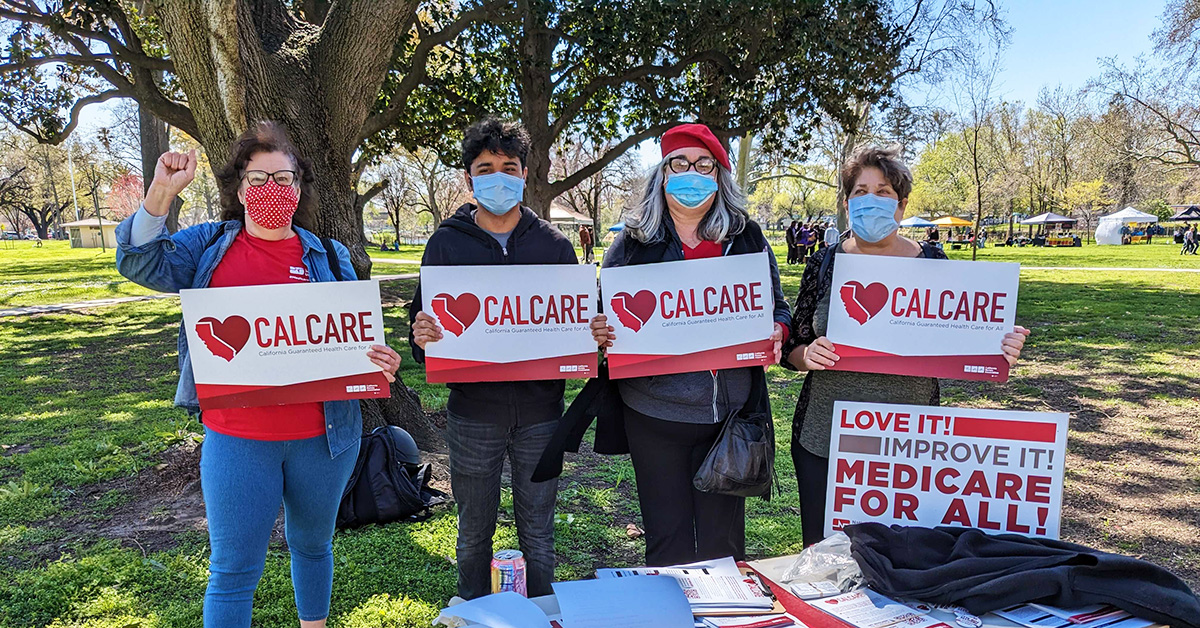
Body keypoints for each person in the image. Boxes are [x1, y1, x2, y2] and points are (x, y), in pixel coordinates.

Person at [114, 122, 402, 627]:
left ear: (300, 186)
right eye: (258, 179)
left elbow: (355, 339)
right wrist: (161, 191)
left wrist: (380, 361)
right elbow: (140, 264)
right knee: (232, 571)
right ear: (239, 188)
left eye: (283, 178)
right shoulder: (210, 246)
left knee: (313, 548)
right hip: (237, 439)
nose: (271, 189)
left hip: (325, 439)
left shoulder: (331, 257)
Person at [779, 146, 1029, 547]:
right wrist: (804, 356)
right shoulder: (824, 262)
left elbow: (963, 338)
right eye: (861, 191)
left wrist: (999, 344)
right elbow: (792, 344)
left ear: (902, 205)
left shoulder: (934, 261)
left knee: (897, 558)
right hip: (824, 437)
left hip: (908, 445)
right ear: (847, 202)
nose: (871, 200)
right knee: (825, 557)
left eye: (883, 192)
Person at [408, 118, 607, 600]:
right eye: (486, 168)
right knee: (473, 531)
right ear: (469, 178)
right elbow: (422, 331)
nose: (498, 176)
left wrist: (596, 332)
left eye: (509, 167)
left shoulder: (555, 246)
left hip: (542, 413)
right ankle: (474, 608)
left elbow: (579, 322)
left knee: (538, 531)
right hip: (473, 415)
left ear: (524, 173)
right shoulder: (445, 243)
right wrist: (421, 332)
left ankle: (542, 608)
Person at [588, 123, 791, 566]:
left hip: (728, 419)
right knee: (667, 542)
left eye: (704, 165)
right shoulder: (631, 243)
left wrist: (779, 331)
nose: (691, 173)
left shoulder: (746, 237)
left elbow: (778, 306)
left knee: (724, 550)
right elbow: (604, 316)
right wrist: (600, 332)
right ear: (662, 174)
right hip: (654, 416)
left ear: (719, 176)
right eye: (680, 163)